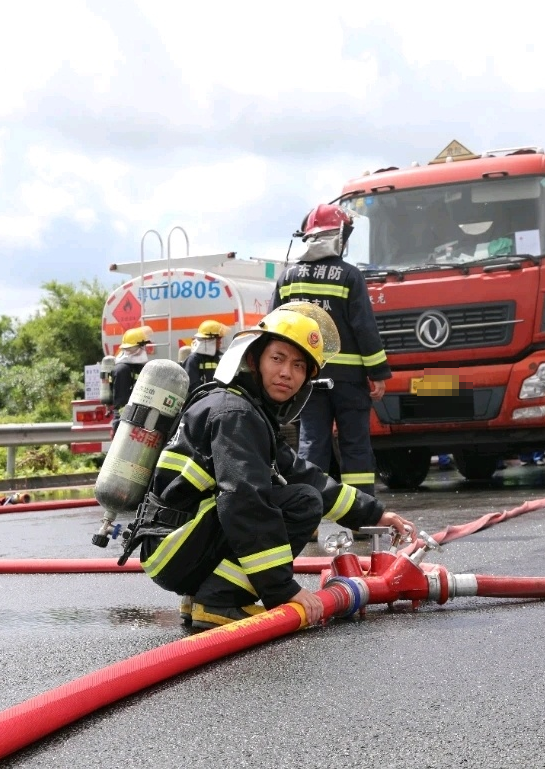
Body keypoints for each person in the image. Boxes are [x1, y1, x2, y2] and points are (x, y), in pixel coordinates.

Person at [125, 306, 409, 631]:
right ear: (253, 360)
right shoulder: (235, 415)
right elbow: (245, 500)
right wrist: (283, 590)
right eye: (278, 358)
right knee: (301, 503)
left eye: (299, 365)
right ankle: (220, 601)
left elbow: (303, 473)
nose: (287, 372)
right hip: (175, 550)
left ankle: (206, 596)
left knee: (299, 491)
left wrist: (373, 515)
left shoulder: (247, 410)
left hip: (173, 545)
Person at [271, 203, 391, 496]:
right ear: (339, 237)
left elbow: (274, 330)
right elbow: (364, 328)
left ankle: (307, 516)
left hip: (307, 379)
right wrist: (377, 372)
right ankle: (362, 518)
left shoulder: (287, 278)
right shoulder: (349, 276)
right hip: (350, 381)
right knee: (355, 447)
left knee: (312, 445)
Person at [110, 326, 153, 435]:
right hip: (125, 419)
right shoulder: (122, 369)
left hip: (136, 416)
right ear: (138, 347)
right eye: (143, 346)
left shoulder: (139, 367)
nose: (145, 349)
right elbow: (122, 402)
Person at [183, 320, 225, 390]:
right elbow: (193, 386)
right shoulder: (193, 360)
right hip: (201, 399)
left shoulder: (217, 358)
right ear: (209, 340)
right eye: (218, 339)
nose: (220, 342)